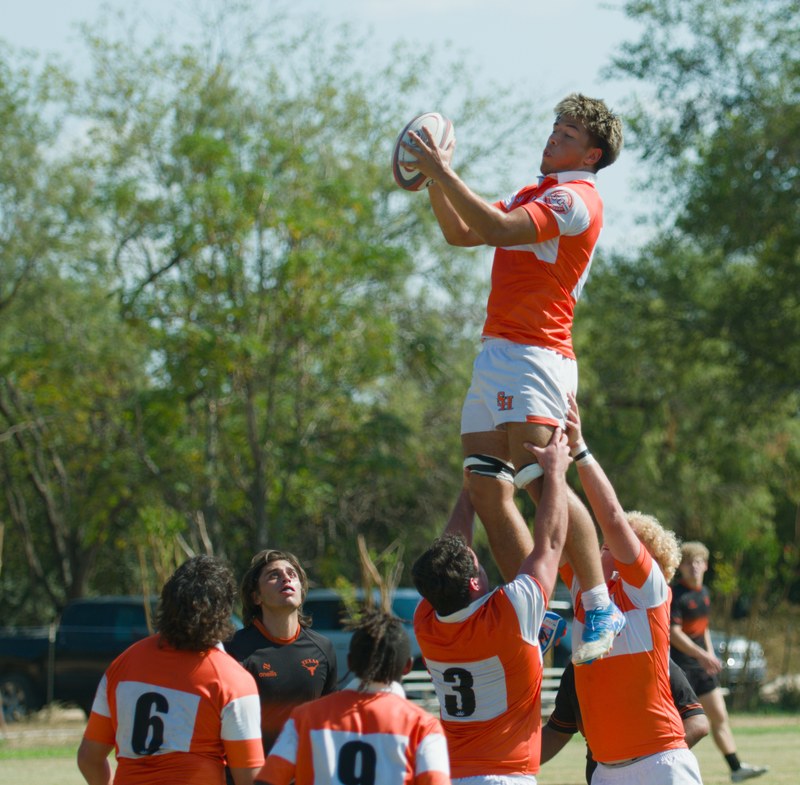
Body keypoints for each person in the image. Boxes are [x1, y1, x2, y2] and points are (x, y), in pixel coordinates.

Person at [402, 94, 626, 664]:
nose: (553, 138)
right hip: (497, 352)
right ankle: (541, 611)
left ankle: (599, 602)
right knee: (484, 485)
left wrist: (443, 171)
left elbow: (498, 228)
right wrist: (432, 183)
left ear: (592, 155)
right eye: (555, 128)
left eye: (568, 135)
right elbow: (463, 232)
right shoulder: (536, 191)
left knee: (540, 479)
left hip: (538, 355)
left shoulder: (575, 198)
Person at [550, 393, 704, 784]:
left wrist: (579, 450)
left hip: (661, 763)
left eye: (610, 549)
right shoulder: (587, 592)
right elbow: (559, 526)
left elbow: (613, 519)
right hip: (605, 771)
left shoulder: (649, 593)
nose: (601, 549)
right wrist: (547, 471)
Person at [412, 428, 571, 784]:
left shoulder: (427, 620)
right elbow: (550, 543)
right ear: (473, 582)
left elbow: (451, 548)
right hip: (504, 776)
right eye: (475, 561)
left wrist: (470, 492)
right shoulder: (508, 613)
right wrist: (556, 473)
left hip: (454, 774)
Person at [76, 555, 264, 785]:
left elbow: (89, 758)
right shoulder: (231, 678)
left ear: (166, 604)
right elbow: (249, 778)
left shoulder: (125, 662)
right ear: (223, 612)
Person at [255, 609, 451, 785]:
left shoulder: (304, 718)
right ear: (408, 666)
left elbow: (267, 781)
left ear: (350, 662)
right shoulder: (423, 726)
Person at [670, 542, 769, 782]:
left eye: (698, 562)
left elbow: (702, 629)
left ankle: (736, 768)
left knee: (719, 716)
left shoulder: (704, 593)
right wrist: (702, 655)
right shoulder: (675, 595)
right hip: (679, 668)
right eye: (688, 562)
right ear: (680, 566)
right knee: (681, 724)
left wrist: (710, 655)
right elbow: (674, 633)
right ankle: (666, 766)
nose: (694, 567)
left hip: (701, 667)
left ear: (705, 565)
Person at [225, 549, 338, 759]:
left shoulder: (323, 648)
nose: (286, 578)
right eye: (274, 575)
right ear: (256, 597)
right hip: (251, 772)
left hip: (305, 771)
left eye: (291, 574)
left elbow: (329, 722)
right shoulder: (232, 649)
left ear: (301, 591)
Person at [541, 657, 709, 784]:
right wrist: (522, 764)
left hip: (662, 772)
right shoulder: (576, 669)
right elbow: (557, 732)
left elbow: (697, 723)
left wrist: (647, 758)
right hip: (603, 775)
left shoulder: (653, 657)